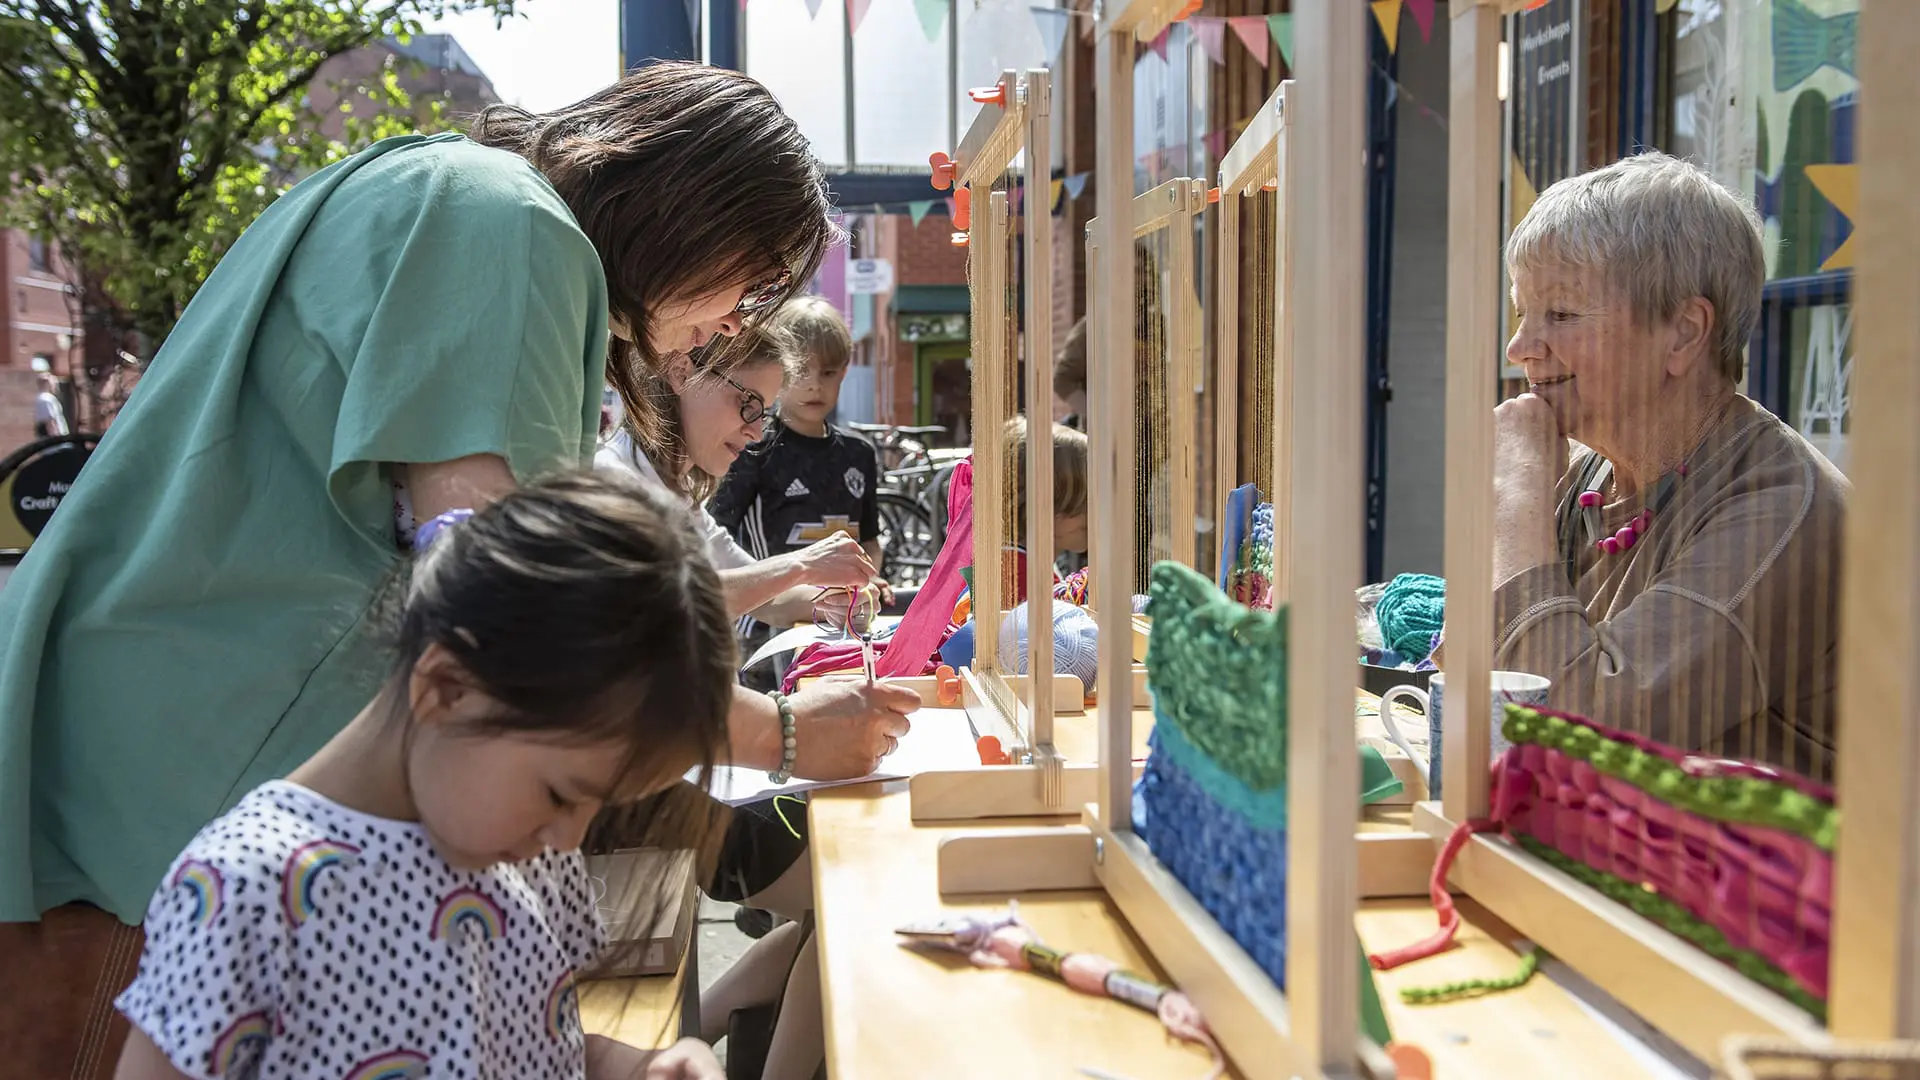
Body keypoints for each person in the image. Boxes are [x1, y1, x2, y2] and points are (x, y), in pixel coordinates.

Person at [0, 61, 895, 1078]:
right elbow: (525, 611)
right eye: (751, 283)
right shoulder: (512, 228)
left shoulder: (457, 193)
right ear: (697, 208)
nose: (736, 321)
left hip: (141, 773)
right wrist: (779, 733)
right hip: (160, 808)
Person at [112, 472, 733, 1080]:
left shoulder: (531, 852)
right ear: (447, 689)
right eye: (560, 795)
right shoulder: (244, 891)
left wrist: (639, 1066)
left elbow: (545, 1045)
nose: (571, 837)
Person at [1493, 151, 1848, 782]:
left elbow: (1576, 739)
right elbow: (1474, 675)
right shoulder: (1589, 476)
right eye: (1524, 313)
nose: (1520, 348)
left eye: (1562, 314)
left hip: (1767, 848)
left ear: (1683, 333)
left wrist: (1513, 500)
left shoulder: (1780, 502)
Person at [709, 296, 891, 691]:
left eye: (827, 371)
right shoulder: (752, 447)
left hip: (842, 621)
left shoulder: (859, 454)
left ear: (845, 371)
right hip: (766, 628)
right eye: (801, 370)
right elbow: (718, 536)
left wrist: (869, 579)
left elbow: (869, 539)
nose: (814, 384)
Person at [33, 372, 69, 439]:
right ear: (47, 384)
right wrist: (55, 439)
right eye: (53, 383)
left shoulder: (41, 398)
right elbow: (50, 421)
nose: (55, 386)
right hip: (55, 438)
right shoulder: (47, 399)